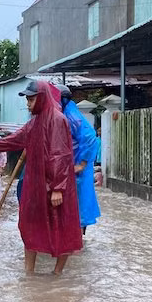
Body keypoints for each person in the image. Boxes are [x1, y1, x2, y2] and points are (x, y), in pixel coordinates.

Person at [0, 81, 82, 275]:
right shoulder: (34, 122)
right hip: (35, 183)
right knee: (30, 224)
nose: (28, 104)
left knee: (61, 225)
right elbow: (15, 139)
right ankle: (29, 273)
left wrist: (58, 187)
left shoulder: (57, 119)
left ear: (42, 98)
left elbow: (60, 154)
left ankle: (57, 274)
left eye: (32, 99)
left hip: (55, 185)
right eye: (28, 100)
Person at [57, 85, 102, 235]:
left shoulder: (71, 116)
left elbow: (90, 138)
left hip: (78, 167)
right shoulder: (68, 112)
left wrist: (81, 164)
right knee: (76, 204)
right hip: (75, 165)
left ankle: (76, 241)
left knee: (79, 204)